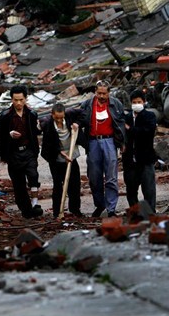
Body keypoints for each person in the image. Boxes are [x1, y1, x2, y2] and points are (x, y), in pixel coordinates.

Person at [0, 84, 43, 218]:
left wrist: (40, 127)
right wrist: (8, 136)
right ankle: (27, 211)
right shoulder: (4, 116)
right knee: (19, 184)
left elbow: (35, 131)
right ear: (11, 100)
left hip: (29, 151)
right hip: (13, 154)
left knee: (33, 175)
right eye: (16, 100)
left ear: (25, 99)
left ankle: (35, 203)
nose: (19, 103)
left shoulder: (31, 114)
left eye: (21, 100)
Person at [79, 79, 126, 217]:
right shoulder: (87, 104)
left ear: (109, 93)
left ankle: (111, 209)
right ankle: (100, 205)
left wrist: (122, 142)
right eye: (99, 93)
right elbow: (79, 119)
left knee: (111, 176)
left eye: (104, 94)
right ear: (95, 91)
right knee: (94, 177)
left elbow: (121, 123)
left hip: (109, 141)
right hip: (93, 142)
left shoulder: (115, 104)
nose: (101, 96)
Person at [40, 103, 85, 218]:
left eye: (61, 117)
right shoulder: (47, 124)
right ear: (52, 115)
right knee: (58, 185)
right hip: (55, 158)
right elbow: (49, 144)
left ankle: (75, 210)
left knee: (74, 184)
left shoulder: (70, 114)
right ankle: (57, 212)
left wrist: (77, 123)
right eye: (57, 118)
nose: (59, 120)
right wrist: (61, 153)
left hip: (71, 155)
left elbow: (84, 113)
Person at [122, 89, 157, 211]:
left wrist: (130, 129)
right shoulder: (127, 117)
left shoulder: (150, 116)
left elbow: (147, 132)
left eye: (139, 102)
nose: (137, 104)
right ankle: (136, 213)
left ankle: (150, 213)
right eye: (134, 102)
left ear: (144, 102)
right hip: (130, 160)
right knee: (131, 190)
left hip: (145, 159)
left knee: (149, 190)